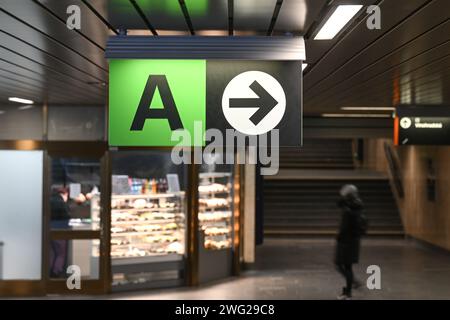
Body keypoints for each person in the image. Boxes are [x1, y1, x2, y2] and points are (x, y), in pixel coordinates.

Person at [335, 184, 367, 300]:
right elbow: (339, 203)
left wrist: (339, 237)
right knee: (347, 266)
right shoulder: (357, 205)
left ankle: (349, 291)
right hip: (354, 241)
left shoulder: (348, 209)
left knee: (340, 265)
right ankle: (349, 290)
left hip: (346, 241)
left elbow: (344, 226)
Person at [49, 186, 71, 278]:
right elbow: (67, 216)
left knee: (52, 252)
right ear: (63, 194)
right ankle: (56, 271)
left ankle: (50, 271)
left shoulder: (49, 200)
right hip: (61, 229)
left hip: (50, 228)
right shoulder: (61, 202)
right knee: (61, 253)